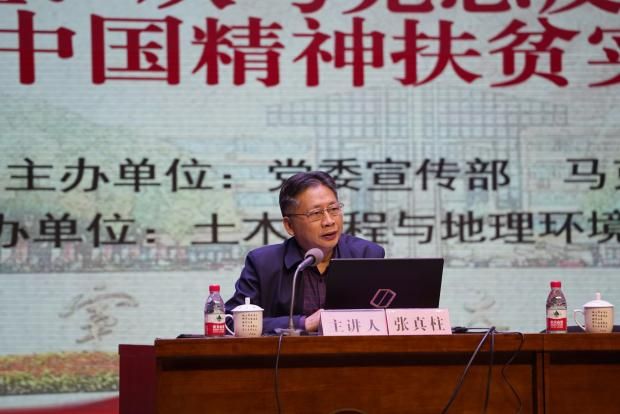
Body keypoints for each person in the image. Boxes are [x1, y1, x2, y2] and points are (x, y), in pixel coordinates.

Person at [225, 171, 385, 334]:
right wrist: (302, 323)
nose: (329, 221)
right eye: (316, 213)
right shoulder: (263, 264)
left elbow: (387, 315)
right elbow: (229, 322)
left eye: (333, 209)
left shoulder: (366, 255)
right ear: (289, 226)